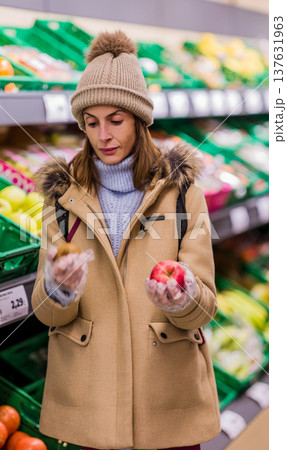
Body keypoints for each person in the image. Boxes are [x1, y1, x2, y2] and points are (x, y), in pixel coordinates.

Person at [32, 30, 221, 450]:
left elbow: (205, 308)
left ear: (139, 119)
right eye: (92, 122)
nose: (103, 136)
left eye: (115, 120)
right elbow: (46, 315)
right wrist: (58, 290)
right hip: (90, 409)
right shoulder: (61, 197)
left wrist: (182, 296)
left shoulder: (183, 192)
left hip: (167, 409)